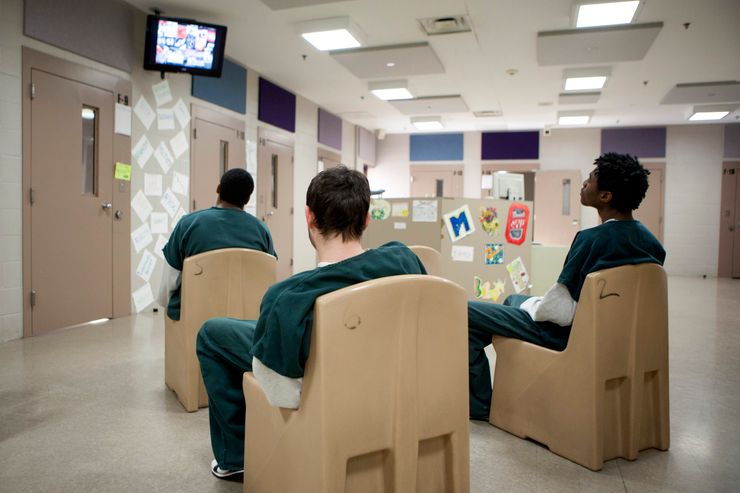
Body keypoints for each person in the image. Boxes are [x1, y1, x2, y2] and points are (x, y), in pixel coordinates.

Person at [195, 166, 427, 480]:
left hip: (321, 384)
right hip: (389, 378)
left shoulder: (287, 298)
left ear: (309, 217)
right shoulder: (405, 261)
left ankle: (235, 458)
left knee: (212, 333)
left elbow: (281, 392)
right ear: (366, 219)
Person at [468, 152, 666, 421]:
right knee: (514, 299)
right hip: (614, 337)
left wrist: (535, 304)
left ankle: (482, 407)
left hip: (563, 335)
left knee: (465, 312)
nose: (585, 183)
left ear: (606, 196)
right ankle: (515, 385)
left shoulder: (591, 239)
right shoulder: (651, 243)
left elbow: (558, 311)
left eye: (591, 179)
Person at [157, 168, 276, 321]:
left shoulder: (188, 224)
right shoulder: (262, 231)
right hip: (247, 317)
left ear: (218, 189)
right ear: (247, 200)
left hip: (195, 315)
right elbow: (268, 275)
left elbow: (168, 282)